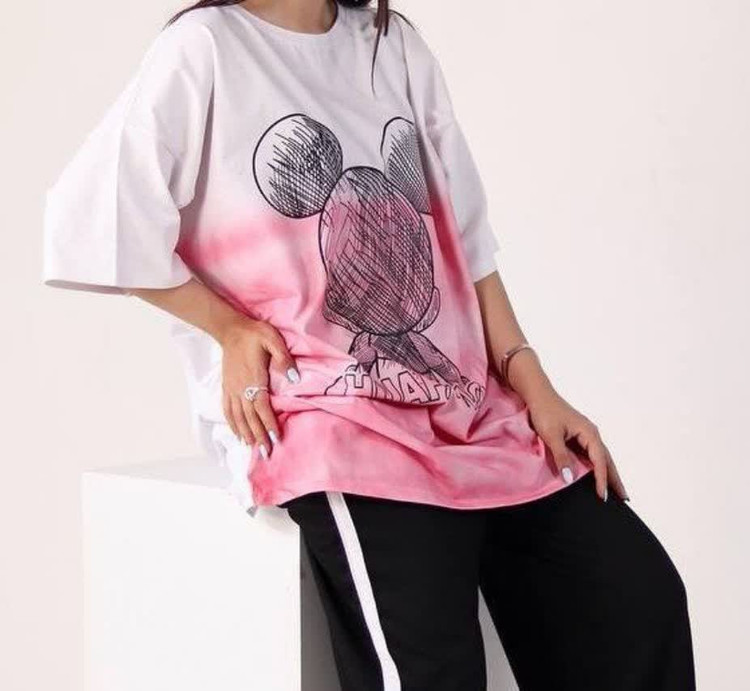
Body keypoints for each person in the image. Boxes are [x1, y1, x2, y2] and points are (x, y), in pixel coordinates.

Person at [42, 1, 696, 688]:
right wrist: (229, 328)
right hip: (334, 418)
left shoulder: (393, 45)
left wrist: (535, 386)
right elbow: (93, 221)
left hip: (468, 408)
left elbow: (468, 243)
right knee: (430, 671)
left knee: (635, 602)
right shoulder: (205, 47)